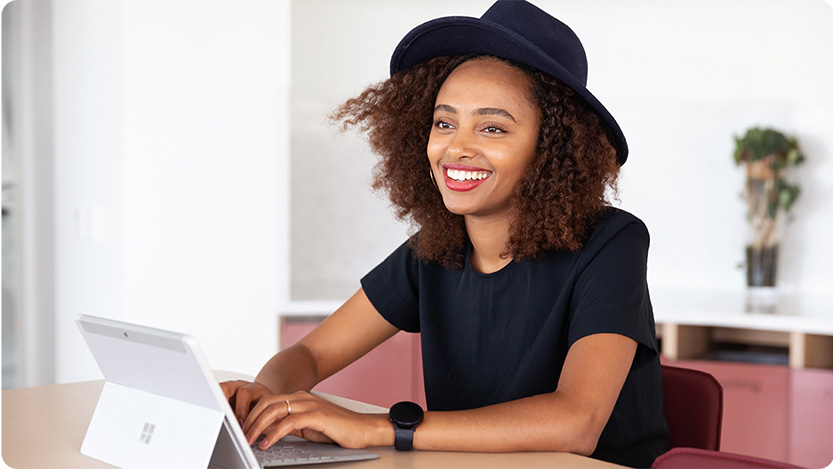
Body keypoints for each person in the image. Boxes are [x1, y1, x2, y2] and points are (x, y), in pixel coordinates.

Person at [221, 1, 670, 466]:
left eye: (492, 127)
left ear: (552, 147)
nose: (457, 147)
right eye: (444, 122)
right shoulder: (436, 248)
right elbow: (311, 353)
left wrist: (378, 427)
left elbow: (577, 423)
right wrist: (263, 400)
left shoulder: (612, 242)